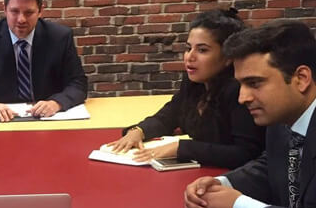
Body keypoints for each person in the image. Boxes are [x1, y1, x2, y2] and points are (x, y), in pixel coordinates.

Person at [184, 20, 316, 208]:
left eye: (254, 83)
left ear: (301, 78)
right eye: (241, 85)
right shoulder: (280, 121)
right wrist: (222, 184)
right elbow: (271, 167)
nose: (242, 98)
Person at [108, 9, 265, 169]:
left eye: (202, 50)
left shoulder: (239, 91)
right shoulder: (194, 83)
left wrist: (180, 148)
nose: (190, 56)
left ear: (227, 57)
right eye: (188, 48)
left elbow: (246, 154)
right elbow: (168, 116)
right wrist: (138, 131)